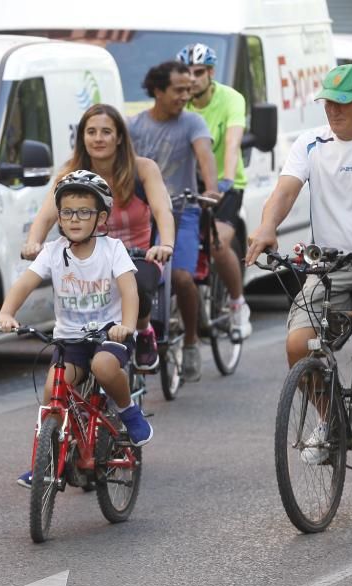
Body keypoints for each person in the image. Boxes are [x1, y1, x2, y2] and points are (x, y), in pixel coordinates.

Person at [246, 64, 352, 461]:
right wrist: (266, 227)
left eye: (343, 102)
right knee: (297, 344)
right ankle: (331, 423)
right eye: (328, 102)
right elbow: (285, 191)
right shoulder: (309, 143)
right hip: (329, 266)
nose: (333, 110)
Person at [0, 171, 153, 488]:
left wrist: (126, 325)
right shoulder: (54, 251)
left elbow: (130, 290)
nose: (75, 219)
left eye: (84, 212)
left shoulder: (112, 249)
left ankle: (127, 410)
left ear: (101, 217)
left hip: (109, 334)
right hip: (70, 340)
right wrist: (6, 312)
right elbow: (25, 284)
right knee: (52, 389)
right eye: (67, 211)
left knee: (103, 366)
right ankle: (46, 461)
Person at [21, 103, 175, 370]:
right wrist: (33, 242)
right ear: (82, 137)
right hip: (88, 256)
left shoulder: (143, 169)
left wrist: (165, 244)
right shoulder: (71, 172)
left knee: (136, 284)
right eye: (91, 132)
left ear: (118, 137)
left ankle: (144, 329)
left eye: (106, 131)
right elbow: (47, 215)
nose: (98, 138)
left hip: (135, 254)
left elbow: (163, 210)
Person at [129, 61, 221, 382]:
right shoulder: (134, 126)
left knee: (182, 277)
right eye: (179, 90)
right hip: (143, 214)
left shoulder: (193, 123)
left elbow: (205, 156)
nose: (187, 95)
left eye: (189, 89)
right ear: (158, 90)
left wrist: (210, 188)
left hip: (184, 211)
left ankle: (192, 342)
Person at [178, 43, 253, 339]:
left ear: (211, 73)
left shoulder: (230, 98)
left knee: (217, 243)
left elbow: (232, 143)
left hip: (225, 183)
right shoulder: (179, 101)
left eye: (198, 72)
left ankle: (237, 305)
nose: (192, 78)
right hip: (187, 184)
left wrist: (224, 181)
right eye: (187, 72)